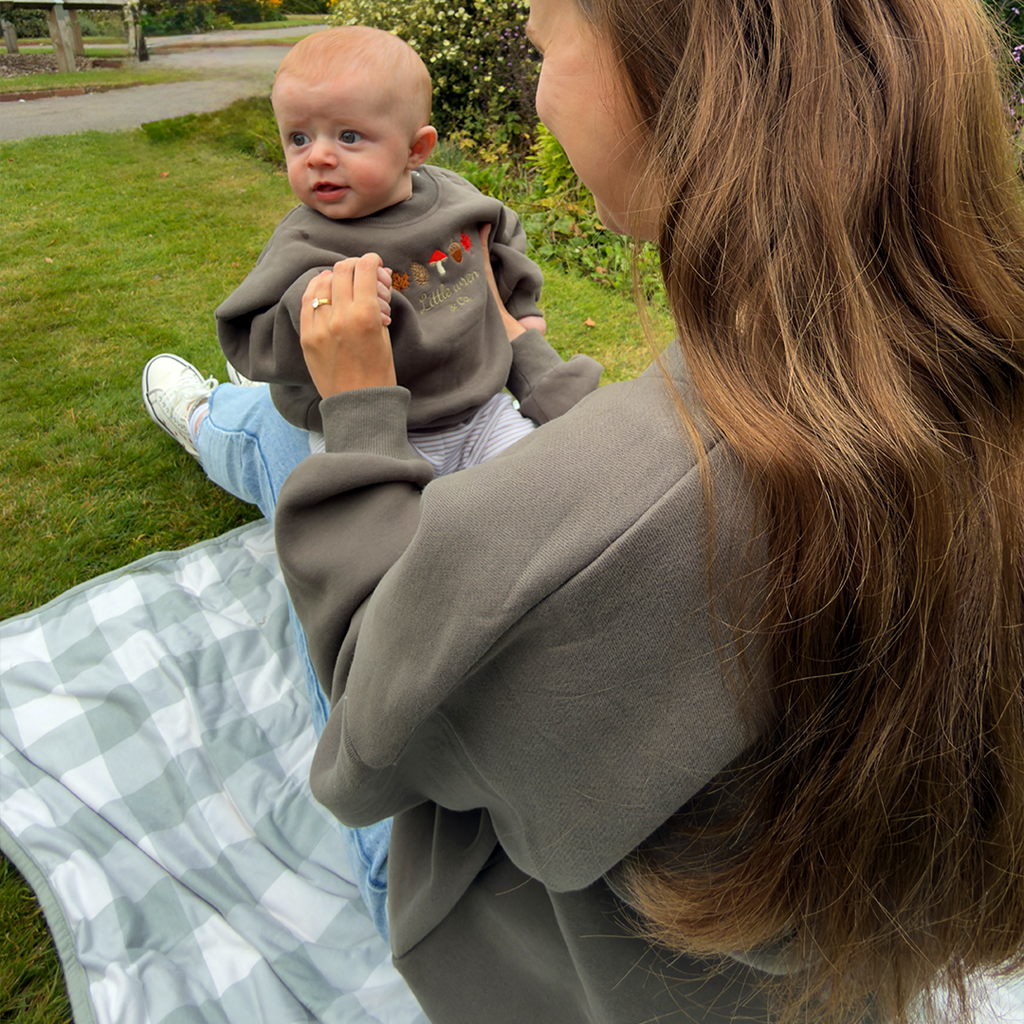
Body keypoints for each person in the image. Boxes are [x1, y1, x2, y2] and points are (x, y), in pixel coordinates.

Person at [145, 0, 1024, 1016]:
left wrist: (356, 411)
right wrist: (543, 374)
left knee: (279, 444)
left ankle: (211, 416)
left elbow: (366, 727)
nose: (541, 87)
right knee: (271, 421)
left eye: (543, 46)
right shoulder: (965, 405)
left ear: (665, 83)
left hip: (539, 965)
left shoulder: (560, 540)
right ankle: (227, 411)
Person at [214, 25, 601, 458]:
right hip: (372, 427)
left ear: (416, 149)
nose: (317, 157)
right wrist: (311, 306)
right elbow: (245, 331)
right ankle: (218, 422)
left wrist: (521, 309)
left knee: (534, 478)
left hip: (482, 409)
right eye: (298, 138)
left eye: (347, 136)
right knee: (378, 517)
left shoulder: (455, 199)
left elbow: (502, 239)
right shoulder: (303, 240)